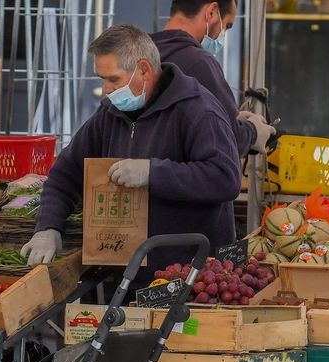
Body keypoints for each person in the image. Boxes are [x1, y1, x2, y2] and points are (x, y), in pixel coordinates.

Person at [21, 24, 241, 285]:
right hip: (126, 276)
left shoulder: (198, 110)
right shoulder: (109, 114)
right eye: (101, 79)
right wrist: (48, 227)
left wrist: (153, 173)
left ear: (144, 70)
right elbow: (65, 174)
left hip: (192, 277)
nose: (106, 89)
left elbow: (225, 178)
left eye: (113, 79)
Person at [151, 0, 276, 157]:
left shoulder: (139, 57)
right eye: (227, 26)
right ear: (212, 12)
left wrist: (234, 119)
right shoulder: (198, 62)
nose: (224, 33)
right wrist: (253, 132)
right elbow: (229, 139)